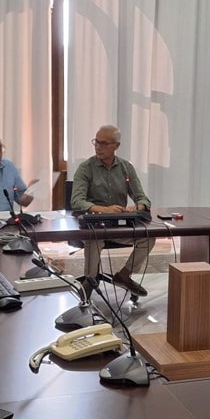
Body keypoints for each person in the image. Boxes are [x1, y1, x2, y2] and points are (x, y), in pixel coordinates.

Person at [69, 125, 153, 297]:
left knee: (148, 237)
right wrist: (103, 209)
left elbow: (143, 198)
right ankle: (90, 281)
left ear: (116, 146)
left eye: (104, 143)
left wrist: (137, 207)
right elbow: (76, 201)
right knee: (94, 238)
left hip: (118, 225)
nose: (98, 147)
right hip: (94, 224)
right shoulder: (86, 168)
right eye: (96, 142)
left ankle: (124, 275)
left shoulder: (126, 168)